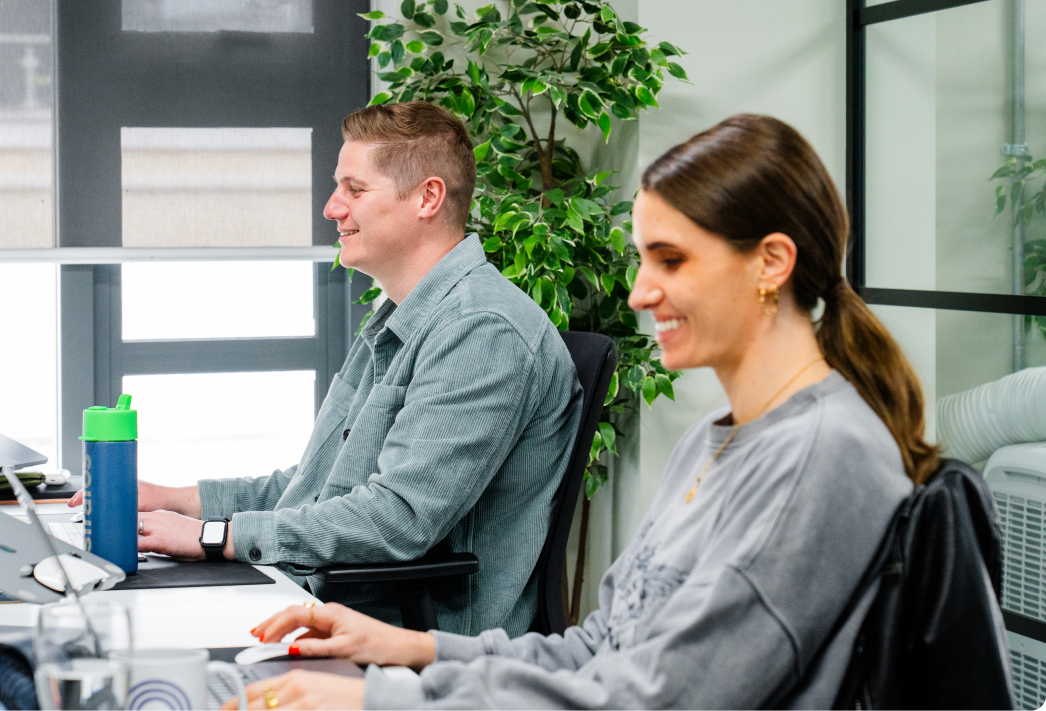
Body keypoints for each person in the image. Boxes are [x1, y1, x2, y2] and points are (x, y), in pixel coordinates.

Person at [225, 113, 940, 710]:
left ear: (770, 263)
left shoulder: (821, 456)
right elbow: (603, 648)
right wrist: (410, 649)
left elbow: (654, 700)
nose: (637, 293)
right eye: (640, 260)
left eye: (670, 261)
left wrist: (381, 698)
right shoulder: (710, 443)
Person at [70, 102, 583, 636]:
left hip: (404, 637)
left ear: (427, 197)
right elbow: (315, 487)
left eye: (354, 190)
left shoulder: (482, 330)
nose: (331, 208)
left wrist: (210, 537)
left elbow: (396, 519)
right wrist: (176, 502)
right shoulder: (400, 317)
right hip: (328, 600)